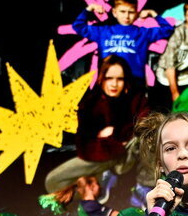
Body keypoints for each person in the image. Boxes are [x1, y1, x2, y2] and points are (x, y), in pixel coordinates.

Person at [43, 55, 149, 200]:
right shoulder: (91, 103)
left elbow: (145, 122)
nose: (114, 84)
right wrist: (111, 142)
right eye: (109, 78)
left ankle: (143, 188)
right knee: (52, 182)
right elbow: (84, 145)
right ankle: (99, 182)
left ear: (125, 81)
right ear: (101, 79)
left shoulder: (136, 98)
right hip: (102, 157)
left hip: (129, 154)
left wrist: (110, 136)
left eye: (119, 79)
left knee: (150, 136)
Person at [72, 0, 174, 84]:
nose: (126, 16)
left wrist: (153, 14)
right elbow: (78, 26)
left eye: (131, 12)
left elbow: (168, 29)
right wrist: (89, 9)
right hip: (108, 80)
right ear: (114, 12)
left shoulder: (143, 33)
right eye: (122, 11)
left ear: (137, 13)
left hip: (135, 81)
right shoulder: (103, 31)